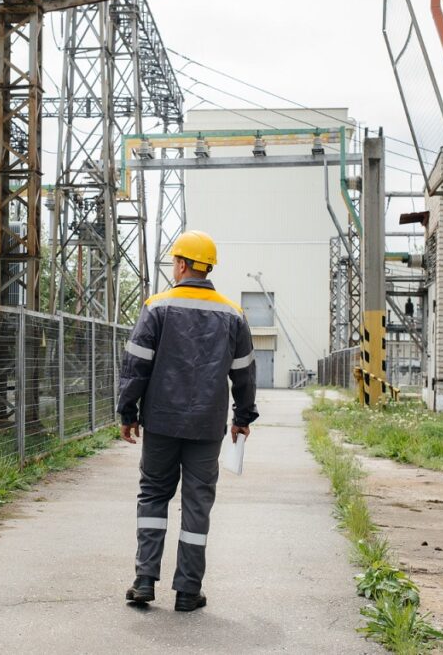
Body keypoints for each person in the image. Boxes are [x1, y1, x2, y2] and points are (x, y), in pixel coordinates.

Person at [115, 229, 259, 612]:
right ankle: (187, 591)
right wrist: (242, 417)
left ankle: (145, 580)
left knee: (153, 496)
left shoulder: (157, 307)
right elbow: (243, 372)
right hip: (206, 427)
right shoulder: (233, 314)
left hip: (161, 422)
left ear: (181, 264)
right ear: (207, 266)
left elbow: (136, 365)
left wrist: (128, 412)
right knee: (197, 505)